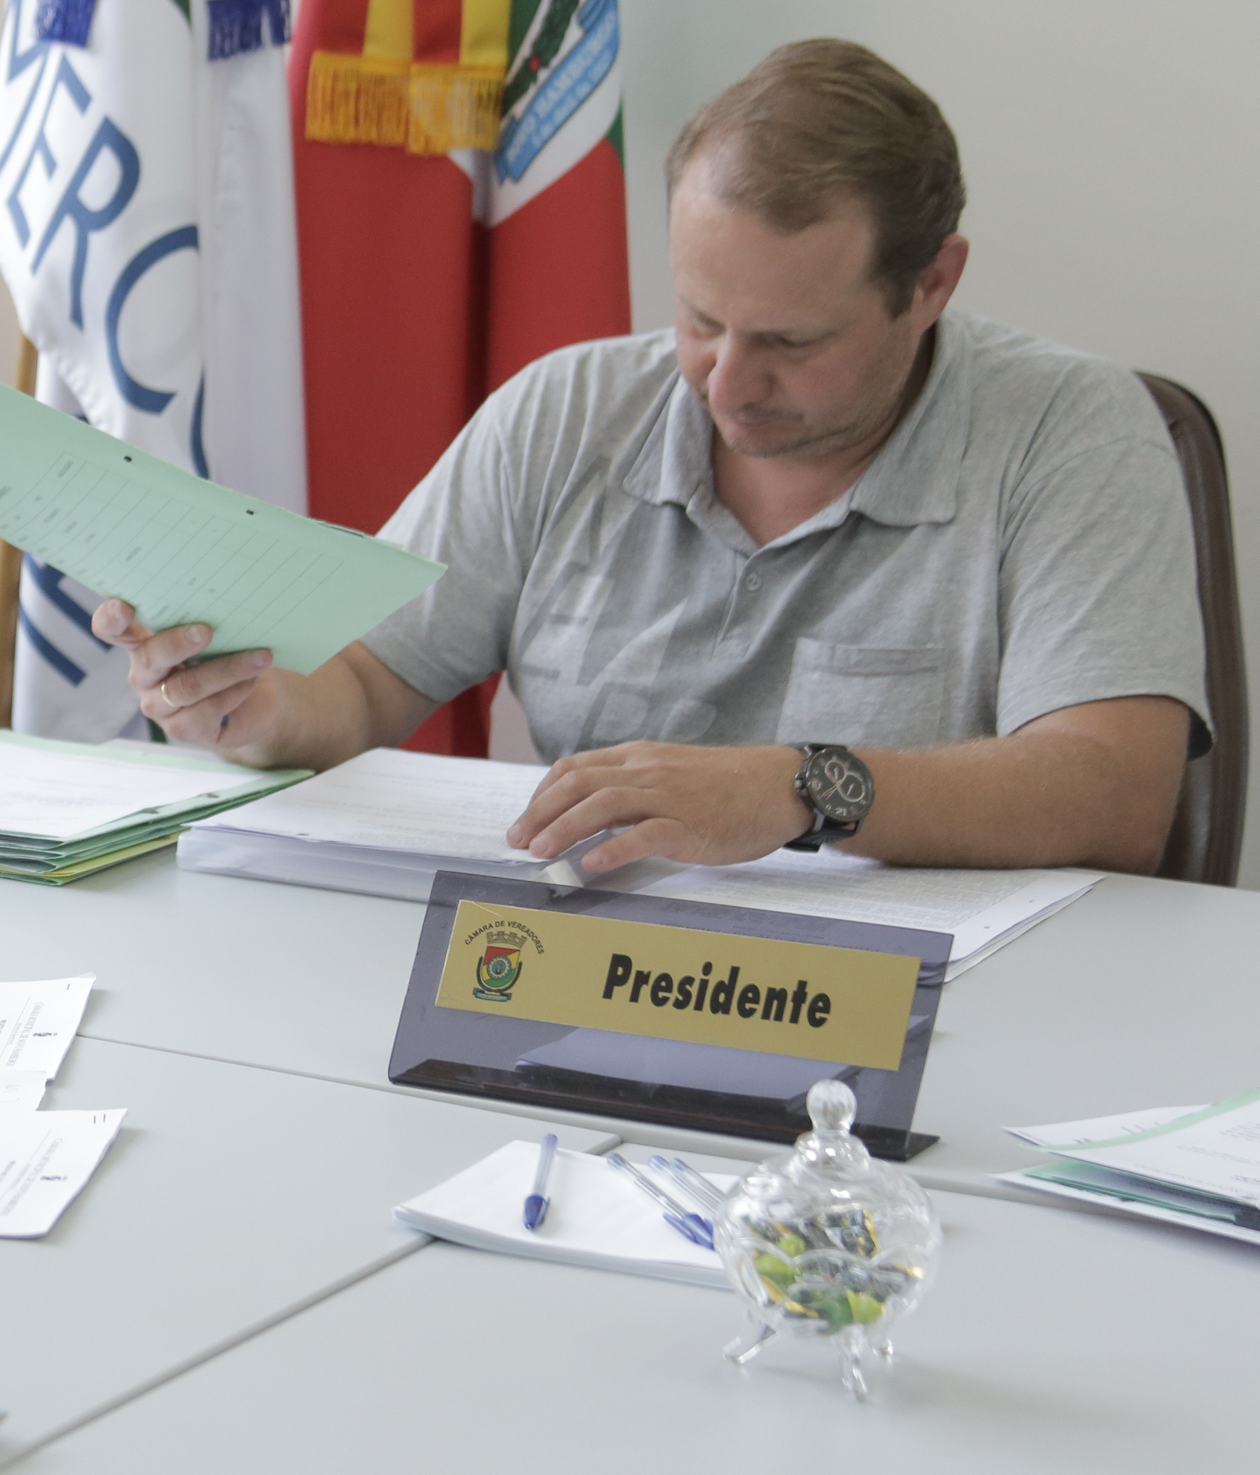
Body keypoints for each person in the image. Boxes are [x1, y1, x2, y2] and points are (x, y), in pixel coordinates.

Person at [97, 39, 1206, 877]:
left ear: (931, 286)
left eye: (791, 342)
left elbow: (1114, 792)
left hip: (939, 1014)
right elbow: (366, 679)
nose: (725, 384)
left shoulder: (1076, 432)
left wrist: (799, 787)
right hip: (587, 969)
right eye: (700, 318)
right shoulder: (568, 410)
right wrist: (253, 709)